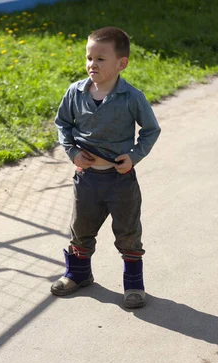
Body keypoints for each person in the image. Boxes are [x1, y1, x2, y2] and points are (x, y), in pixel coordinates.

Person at [52, 26, 161, 308]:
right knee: (81, 227)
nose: (92, 64)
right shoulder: (75, 93)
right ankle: (78, 273)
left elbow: (150, 130)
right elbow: (63, 124)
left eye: (100, 58)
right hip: (87, 179)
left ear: (121, 63)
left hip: (120, 180)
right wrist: (72, 152)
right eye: (89, 57)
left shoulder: (131, 97)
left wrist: (134, 156)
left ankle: (133, 284)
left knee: (127, 231)